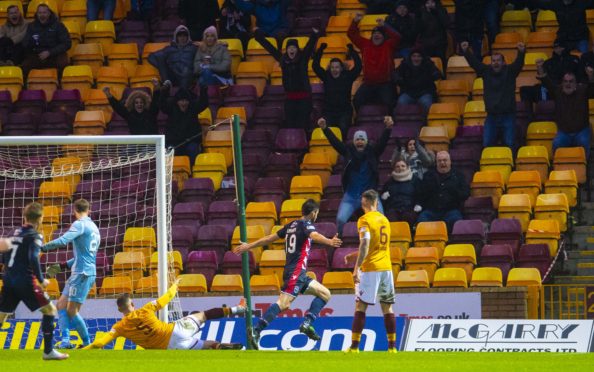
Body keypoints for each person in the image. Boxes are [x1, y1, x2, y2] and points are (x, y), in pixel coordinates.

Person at [233, 199, 342, 349]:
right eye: (317, 213)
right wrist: (329, 242)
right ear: (313, 213)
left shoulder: (291, 225)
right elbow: (314, 235)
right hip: (295, 273)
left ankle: (306, 324)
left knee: (325, 294)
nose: (317, 215)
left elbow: (269, 238)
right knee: (283, 304)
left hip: (300, 274)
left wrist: (249, 246)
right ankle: (256, 330)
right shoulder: (306, 225)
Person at [84, 280, 245, 350]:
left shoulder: (119, 327)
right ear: (132, 304)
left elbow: (101, 342)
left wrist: (87, 348)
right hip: (175, 330)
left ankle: (219, 345)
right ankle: (237, 309)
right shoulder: (146, 309)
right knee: (203, 315)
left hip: (171, 348)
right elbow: (165, 299)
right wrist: (175, 286)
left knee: (208, 345)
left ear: (120, 310)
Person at [0, 202, 69, 360]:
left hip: (9, 280)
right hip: (25, 281)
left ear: (25, 217)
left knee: (1, 317)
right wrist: (41, 279)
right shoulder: (35, 236)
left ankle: (49, 352)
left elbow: (4, 256)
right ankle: (48, 351)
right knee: (50, 310)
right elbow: (33, 257)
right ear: (40, 218)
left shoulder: (13, 234)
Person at [318, 116, 392, 236]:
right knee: (340, 220)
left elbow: (383, 142)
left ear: (366, 141)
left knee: (381, 219)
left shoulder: (373, 153)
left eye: (362, 139)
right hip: (351, 196)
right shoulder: (348, 152)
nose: (360, 142)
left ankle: (380, 242)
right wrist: (325, 129)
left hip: (371, 197)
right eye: (357, 139)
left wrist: (388, 128)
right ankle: (339, 241)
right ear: (354, 141)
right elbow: (335, 143)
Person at [42, 199, 100, 349]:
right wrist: (62, 266)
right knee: (61, 304)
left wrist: (43, 248)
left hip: (82, 273)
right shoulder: (94, 227)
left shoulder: (79, 224)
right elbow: (84, 256)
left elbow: (63, 241)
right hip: (80, 271)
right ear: (89, 210)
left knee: (71, 310)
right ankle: (66, 341)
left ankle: (87, 344)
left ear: (74, 211)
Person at [345, 190, 396, 353]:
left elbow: (366, 243)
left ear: (365, 202)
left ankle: (354, 348)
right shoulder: (385, 220)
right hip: (386, 268)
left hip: (370, 269)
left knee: (360, 306)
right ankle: (392, 348)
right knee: (387, 308)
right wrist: (354, 255)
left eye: (362, 201)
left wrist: (356, 268)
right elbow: (377, 246)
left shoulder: (364, 219)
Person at [462, 41, 525, 151]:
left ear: (503, 62)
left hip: (508, 115)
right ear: (491, 63)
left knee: (509, 145)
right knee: (487, 145)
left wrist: (521, 52)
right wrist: (466, 51)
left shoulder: (510, 72)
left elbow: (518, 64)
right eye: (493, 61)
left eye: (498, 61)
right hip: (491, 116)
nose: (496, 63)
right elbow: (474, 63)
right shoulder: (486, 71)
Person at [256, 27, 320, 129]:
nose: (291, 49)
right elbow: (271, 49)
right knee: (290, 124)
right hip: (290, 100)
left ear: (297, 49)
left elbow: (308, 48)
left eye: (294, 47)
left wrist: (314, 35)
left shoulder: (303, 59)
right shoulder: (283, 60)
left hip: (304, 99)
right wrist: (259, 37)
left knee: (303, 124)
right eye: (289, 48)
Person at [537, 58, 594, 157]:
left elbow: (592, 88)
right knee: (556, 143)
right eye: (565, 81)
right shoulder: (558, 91)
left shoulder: (583, 90)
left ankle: (587, 168)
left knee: (584, 144)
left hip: (581, 131)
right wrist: (540, 67)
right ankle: (556, 168)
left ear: (576, 83)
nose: (568, 84)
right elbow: (546, 81)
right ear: (562, 83)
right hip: (564, 132)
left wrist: (591, 76)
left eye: (571, 81)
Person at [348, 14, 400, 111]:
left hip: (385, 83)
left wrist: (385, 25)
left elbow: (397, 37)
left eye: (379, 33)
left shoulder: (388, 45)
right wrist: (355, 22)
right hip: (368, 83)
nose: (376, 35)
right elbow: (351, 34)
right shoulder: (365, 44)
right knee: (357, 100)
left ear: (384, 36)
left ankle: (391, 122)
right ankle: (359, 120)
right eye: (374, 33)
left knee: (390, 103)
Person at [312, 42, 362, 138]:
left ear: (341, 68)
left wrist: (352, 51)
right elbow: (315, 66)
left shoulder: (347, 76)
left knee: (343, 130)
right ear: (330, 68)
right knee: (328, 132)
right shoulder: (326, 76)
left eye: (337, 67)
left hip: (344, 112)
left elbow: (358, 66)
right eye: (332, 67)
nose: (334, 69)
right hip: (329, 112)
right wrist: (320, 50)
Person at [416, 151, 470, 231]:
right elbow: (421, 194)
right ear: (436, 162)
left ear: (450, 161)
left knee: (456, 222)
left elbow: (465, 193)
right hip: (431, 211)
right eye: (439, 161)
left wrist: (453, 191)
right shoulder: (428, 176)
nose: (442, 163)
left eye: (445, 160)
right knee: (421, 220)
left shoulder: (459, 176)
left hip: (451, 211)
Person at [160, 81, 208, 165]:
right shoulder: (171, 109)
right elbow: (161, 104)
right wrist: (165, 90)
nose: (184, 103)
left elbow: (204, 103)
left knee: (193, 149)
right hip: (174, 142)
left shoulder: (193, 109)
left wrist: (203, 90)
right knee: (168, 151)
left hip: (191, 142)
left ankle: (192, 171)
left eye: (186, 101)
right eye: (181, 101)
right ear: (177, 102)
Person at [521, 39, 581, 104]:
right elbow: (542, 77)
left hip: (567, 87)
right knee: (524, 90)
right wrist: (540, 67)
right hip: (550, 88)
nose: (558, 49)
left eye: (560, 47)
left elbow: (579, 76)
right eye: (555, 47)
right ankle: (529, 114)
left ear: (565, 47)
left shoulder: (574, 59)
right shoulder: (548, 62)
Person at [21, 4, 71, 78]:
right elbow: (25, 43)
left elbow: (67, 43)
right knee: (25, 65)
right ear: (37, 14)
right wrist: (31, 43)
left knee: (63, 62)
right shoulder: (31, 26)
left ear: (49, 13)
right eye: (40, 13)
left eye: (44, 13)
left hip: (55, 54)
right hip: (37, 55)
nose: (42, 15)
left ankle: (60, 84)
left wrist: (50, 52)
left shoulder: (58, 26)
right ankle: (29, 85)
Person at [393, 48, 442, 113]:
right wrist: (399, 80)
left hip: (425, 93)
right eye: (414, 56)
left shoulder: (428, 64)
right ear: (410, 57)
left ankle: (425, 122)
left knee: (427, 103)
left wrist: (434, 75)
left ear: (423, 57)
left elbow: (437, 73)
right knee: (401, 102)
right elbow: (396, 74)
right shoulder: (404, 65)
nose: (416, 59)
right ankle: (404, 122)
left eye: (419, 56)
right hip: (408, 93)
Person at [381, 159, 422, 226]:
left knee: (409, 218)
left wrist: (418, 205)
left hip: (409, 209)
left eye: (403, 166)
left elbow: (420, 195)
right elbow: (384, 201)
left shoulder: (415, 180)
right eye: (398, 166)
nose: (400, 168)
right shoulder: (389, 182)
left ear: (407, 167)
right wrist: (383, 198)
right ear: (394, 168)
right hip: (393, 209)